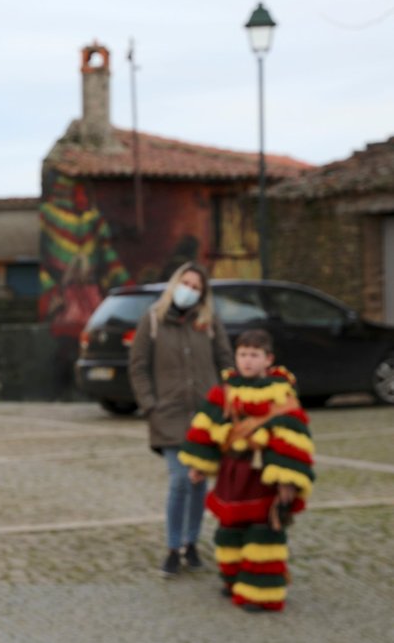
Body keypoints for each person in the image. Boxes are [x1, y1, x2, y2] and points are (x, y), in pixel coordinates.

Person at [179, 329, 314, 611]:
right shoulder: (225, 391)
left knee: (263, 530)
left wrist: (286, 481)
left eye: (254, 355)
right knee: (229, 529)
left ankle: (260, 593)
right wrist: (199, 466)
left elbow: (292, 436)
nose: (247, 361)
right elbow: (206, 427)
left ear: (268, 359)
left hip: (263, 475)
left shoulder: (281, 394)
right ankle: (234, 579)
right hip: (232, 472)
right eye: (243, 354)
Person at [128, 261, 234, 578]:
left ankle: (191, 543)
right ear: (175, 284)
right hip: (169, 416)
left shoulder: (209, 322)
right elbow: (138, 366)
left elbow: (226, 361)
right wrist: (150, 405)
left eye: (197, 286)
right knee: (179, 481)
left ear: (203, 294)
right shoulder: (153, 321)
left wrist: (226, 399)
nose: (190, 290)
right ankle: (174, 547)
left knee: (198, 483)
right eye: (186, 283)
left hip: (206, 417)